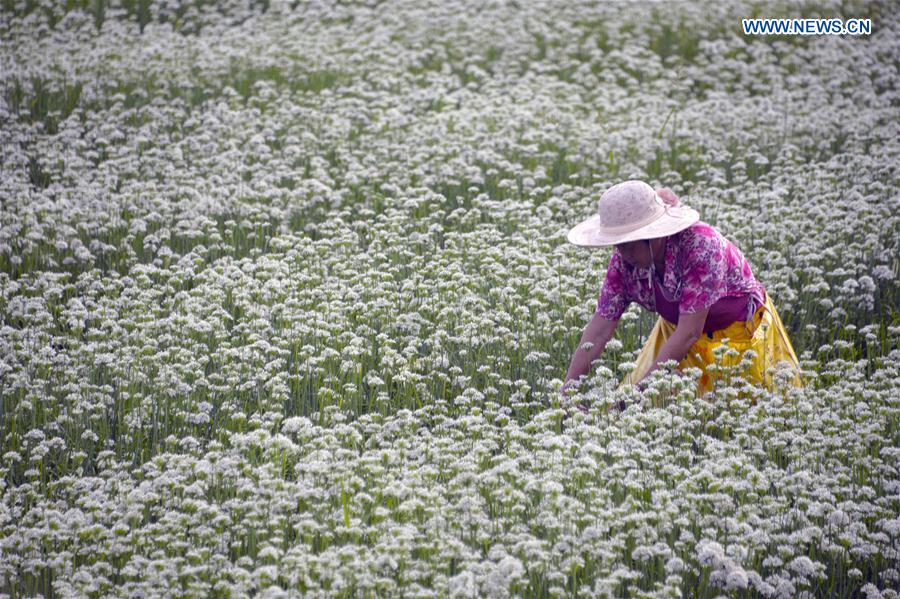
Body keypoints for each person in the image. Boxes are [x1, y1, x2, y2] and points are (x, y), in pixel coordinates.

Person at [561, 180, 802, 407]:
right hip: (677, 340)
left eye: (630, 244)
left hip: (737, 339)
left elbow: (689, 332)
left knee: (746, 411)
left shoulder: (701, 246)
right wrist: (568, 394)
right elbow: (600, 328)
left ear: (654, 236)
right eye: (618, 245)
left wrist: (641, 394)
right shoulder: (624, 263)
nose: (623, 254)